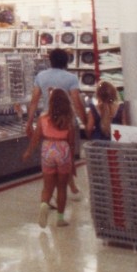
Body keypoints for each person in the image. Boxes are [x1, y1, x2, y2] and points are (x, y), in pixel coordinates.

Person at [28, 47, 90, 195]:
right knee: (66, 155)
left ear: (50, 61)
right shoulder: (71, 78)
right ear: (66, 61)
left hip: (47, 121)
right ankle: (71, 188)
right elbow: (76, 101)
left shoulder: (41, 76)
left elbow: (34, 100)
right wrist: (85, 122)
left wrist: (29, 122)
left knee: (49, 155)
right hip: (66, 120)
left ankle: (51, 191)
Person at [23, 87, 78, 228]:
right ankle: (60, 218)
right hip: (63, 150)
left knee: (47, 187)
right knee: (61, 187)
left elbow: (35, 139)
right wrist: (72, 163)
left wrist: (28, 152)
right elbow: (71, 143)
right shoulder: (69, 120)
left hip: (48, 149)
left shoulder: (43, 118)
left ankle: (44, 205)